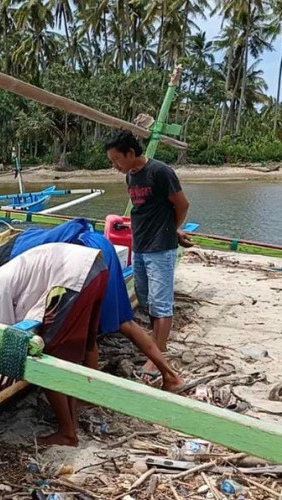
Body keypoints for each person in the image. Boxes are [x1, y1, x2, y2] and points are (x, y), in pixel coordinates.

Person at [0, 218, 183, 392]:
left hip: (84, 259)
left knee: (90, 332)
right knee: (113, 324)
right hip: (96, 247)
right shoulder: (13, 244)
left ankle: (94, 389)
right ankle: (164, 374)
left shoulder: (5, 265)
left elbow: (18, 316)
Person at [0, 243, 108, 447]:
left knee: (49, 357)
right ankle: (78, 411)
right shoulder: (8, 270)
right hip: (94, 265)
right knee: (75, 351)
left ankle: (67, 433)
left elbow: (8, 333)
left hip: (73, 275)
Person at [104, 130, 192, 380]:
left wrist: (171, 231)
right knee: (146, 299)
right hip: (140, 246)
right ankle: (155, 345)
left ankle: (158, 356)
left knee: (162, 303)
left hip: (160, 248)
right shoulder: (131, 177)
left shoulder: (160, 172)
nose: (115, 166)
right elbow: (146, 211)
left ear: (131, 153)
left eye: (117, 160)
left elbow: (182, 204)